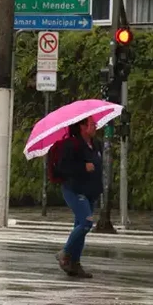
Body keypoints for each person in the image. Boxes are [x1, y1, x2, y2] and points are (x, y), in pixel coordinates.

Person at [55, 117, 101, 279]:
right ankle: (65, 252)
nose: (96, 126)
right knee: (86, 223)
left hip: (90, 192)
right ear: (82, 127)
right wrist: (83, 167)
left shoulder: (95, 145)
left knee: (81, 228)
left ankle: (75, 263)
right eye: (92, 124)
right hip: (74, 190)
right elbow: (63, 167)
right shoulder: (72, 144)